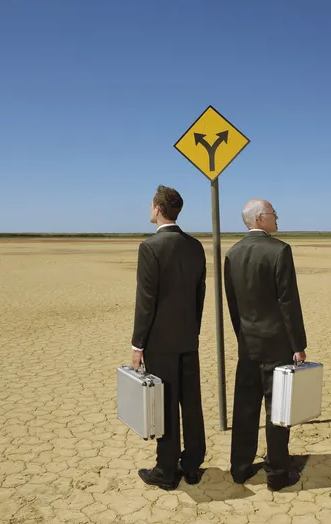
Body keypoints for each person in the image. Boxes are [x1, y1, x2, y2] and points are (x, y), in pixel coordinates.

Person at [224, 199, 307, 491]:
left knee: (245, 407)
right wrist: (298, 344)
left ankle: (240, 468)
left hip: (247, 344)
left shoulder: (232, 254)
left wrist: (243, 337)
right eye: (273, 214)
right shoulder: (280, 251)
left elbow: (232, 306)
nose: (277, 218)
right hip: (277, 345)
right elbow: (288, 302)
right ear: (260, 218)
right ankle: (277, 472)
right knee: (278, 409)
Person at [131, 185, 207, 491]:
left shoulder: (150, 247)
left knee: (164, 404)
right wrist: (194, 328)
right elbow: (199, 295)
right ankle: (192, 464)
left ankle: (165, 470)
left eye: (151, 205)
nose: (150, 209)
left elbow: (146, 301)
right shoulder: (195, 246)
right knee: (191, 402)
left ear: (159, 209)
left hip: (160, 342)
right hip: (188, 337)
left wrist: (138, 344)